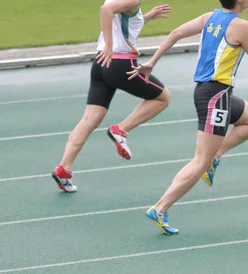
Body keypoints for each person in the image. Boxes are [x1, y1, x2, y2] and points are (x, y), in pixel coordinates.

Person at [129, 0, 248, 235]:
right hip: (216, 98)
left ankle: (216, 153)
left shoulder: (210, 17)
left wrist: (152, 62)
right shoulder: (240, 25)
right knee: (199, 161)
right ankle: (160, 208)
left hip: (214, 94)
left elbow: (175, 33)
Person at [51, 0, 173, 193]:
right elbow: (106, 10)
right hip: (119, 63)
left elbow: (121, 22)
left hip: (100, 64)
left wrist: (146, 17)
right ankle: (121, 130)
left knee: (90, 119)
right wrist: (109, 45)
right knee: (162, 98)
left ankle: (64, 169)